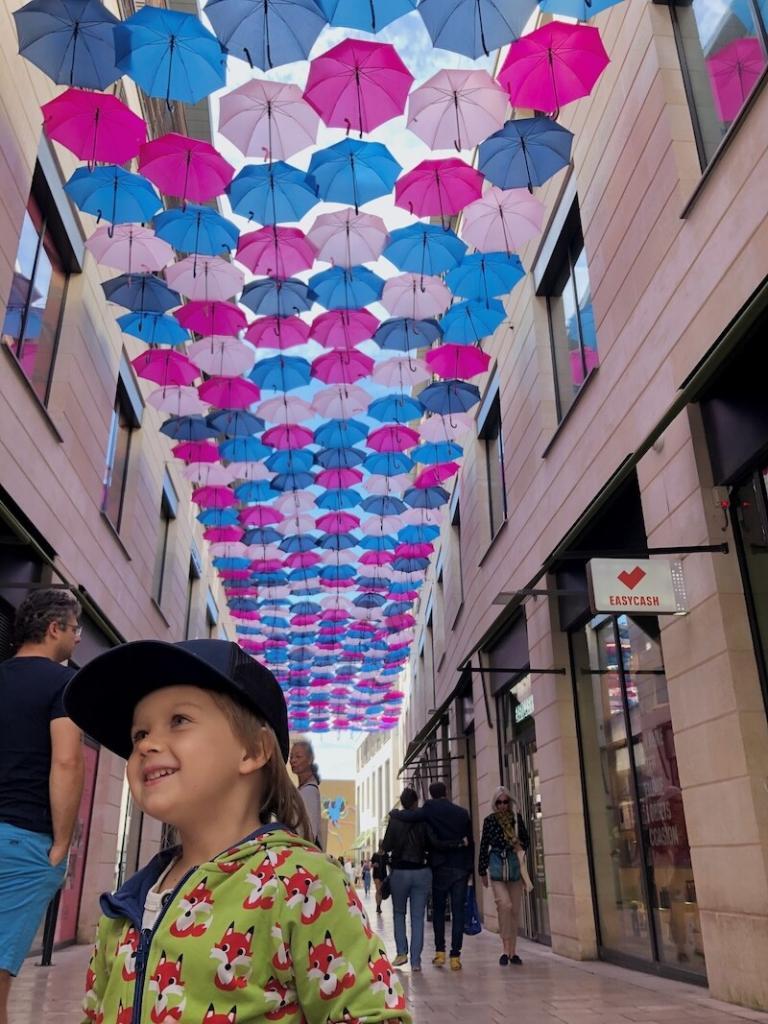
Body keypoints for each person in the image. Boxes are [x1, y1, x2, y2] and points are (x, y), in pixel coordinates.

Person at [63, 638, 410, 1024]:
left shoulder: (302, 883)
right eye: (138, 734)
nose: (147, 745)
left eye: (178, 720)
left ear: (252, 752)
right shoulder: (125, 902)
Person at [0, 589, 85, 1024]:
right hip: (22, 841)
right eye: (75, 630)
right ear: (55, 629)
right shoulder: (64, 682)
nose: (78, 639)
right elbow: (67, 761)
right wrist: (63, 844)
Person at [389, 780, 473, 971]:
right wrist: (470, 867)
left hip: (440, 867)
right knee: (458, 911)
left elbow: (411, 816)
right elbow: (471, 841)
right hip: (460, 867)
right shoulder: (462, 813)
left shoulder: (429, 809)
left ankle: (440, 952)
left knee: (439, 910)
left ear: (431, 794)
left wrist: (394, 813)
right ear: (446, 792)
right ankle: (455, 956)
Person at [478, 785, 529, 966]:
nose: (502, 805)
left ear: (510, 802)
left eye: (505, 802)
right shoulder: (490, 821)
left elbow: (527, 841)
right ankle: (505, 949)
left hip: (514, 868)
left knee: (514, 909)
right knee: (504, 906)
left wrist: (518, 843)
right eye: (499, 802)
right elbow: (484, 845)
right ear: (494, 803)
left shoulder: (516, 819)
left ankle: (513, 952)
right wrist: (482, 870)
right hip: (497, 868)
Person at [382, 788, 431, 972]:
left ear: (402, 802)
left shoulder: (395, 820)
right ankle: (416, 961)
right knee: (418, 917)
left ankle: (402, 953)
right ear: (416, 801)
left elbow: (386, 845)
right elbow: (430, 841)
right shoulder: (424, 818)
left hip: (400, 871)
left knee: (399, 913)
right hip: (421, 870)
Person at [289, 738, 323, 849]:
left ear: (310, 759)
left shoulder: (309, 791)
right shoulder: (302, 789)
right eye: (291, 757)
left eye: (298, 757)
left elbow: (310, 833)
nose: (293, 760)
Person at [371, 843, 388, 915]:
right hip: (376, 875)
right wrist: (374, 864)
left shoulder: (386, 855)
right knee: (378, 890)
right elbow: (371, 864)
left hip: (383, 875)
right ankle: (378, 906)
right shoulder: (375, 855)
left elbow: (388, 864)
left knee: (380, 891)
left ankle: (379, 905)